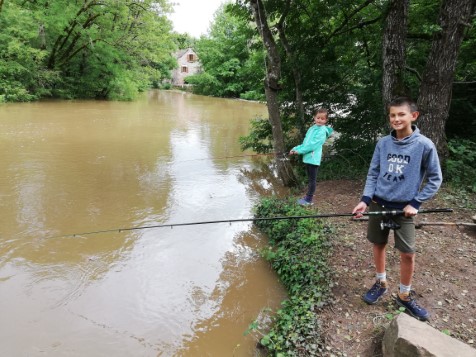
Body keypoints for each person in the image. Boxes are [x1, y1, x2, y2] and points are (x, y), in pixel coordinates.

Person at [352, 96, 442, 321]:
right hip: (378, 203)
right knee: (378, 244)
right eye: (392, 115)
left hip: (405, 210)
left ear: (414, 116)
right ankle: (381, 282)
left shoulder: (424, 145)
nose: (396, 119)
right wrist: (365, 199)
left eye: (401, 114)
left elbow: (435, 178)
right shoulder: (383, 143)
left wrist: (416, 203)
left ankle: (404, 295)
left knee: (408, 254)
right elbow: (373, 172)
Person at [289, 108, 334, 205]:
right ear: (314, 118)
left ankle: (308, 200)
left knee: (312, 180)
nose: (319, 120)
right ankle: (307, 197)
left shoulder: (321, 131)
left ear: (325, 120)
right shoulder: (312, 128)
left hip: (313, 158)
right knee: (310, 179)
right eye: (318, 118)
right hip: (308, 157)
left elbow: (312, 146)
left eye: (322, 119)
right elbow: (306, 143)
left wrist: (298, 152)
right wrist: (295, 148)